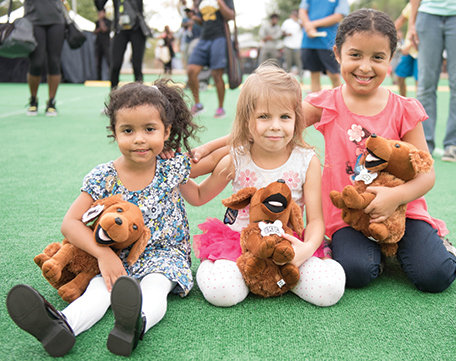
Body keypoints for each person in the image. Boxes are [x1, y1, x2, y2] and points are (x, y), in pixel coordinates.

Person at [6, 79, 201, 357]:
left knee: (154, 288)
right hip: (115, 254)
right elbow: (69, 223)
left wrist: (238, 141)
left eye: (150, 129)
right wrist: (102, 255)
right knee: (98, 291)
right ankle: (61, 325)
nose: (139, 139)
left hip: (164, 255)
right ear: (114, 132)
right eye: (128, 130)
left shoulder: (170, 166)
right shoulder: (103, 176)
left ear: (166, 130)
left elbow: (204, 167)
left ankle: (134, 325)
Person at [301, 9, 456, 292]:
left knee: (436, 275)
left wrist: (395, 196)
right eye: (355, 55)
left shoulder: (403, 109)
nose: (365, 67)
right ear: (337, 54)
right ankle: (378, 252)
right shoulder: (326, 103)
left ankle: (431, 244)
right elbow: (276, 122)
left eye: (377, 57)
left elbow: (427, 174)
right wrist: (215, 148)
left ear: (391, 59)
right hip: (349, 214)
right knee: (355, 272)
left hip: (403, 210)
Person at [181, 63, 346, 308]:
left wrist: (307, 248)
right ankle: (229, 271)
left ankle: (286, 274)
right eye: (264, 116)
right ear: (248, 120)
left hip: (290, 246)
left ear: (296, 119)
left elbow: (315, 220)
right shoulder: (236, 158)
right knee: (222, 292)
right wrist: (172, 172)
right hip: (240, 245)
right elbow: (197, 196)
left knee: (329, 291)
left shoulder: (306, 160)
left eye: (285, 117)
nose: (275, 126)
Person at [408, 0, 456, 162]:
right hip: (428, 15)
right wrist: (411, 24)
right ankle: (424, 143)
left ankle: (453, 145)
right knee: (425, 85)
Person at [186, 0, 235, 118]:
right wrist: (193, 17)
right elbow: (203, 21)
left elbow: (231, 16)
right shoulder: (201, 1)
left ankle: (220, 108)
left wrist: (220, 2)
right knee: (191, 70)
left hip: (219, 38)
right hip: (204, 38)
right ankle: (198, 105)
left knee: (216, 74)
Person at [24, 0, 66, 116]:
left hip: (56, 20)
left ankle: (51, 102)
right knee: (36, 62)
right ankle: (33, 100)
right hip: (33, 19)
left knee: (54, 61)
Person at [94, 0, 149, 89]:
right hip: (120, 30)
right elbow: (99, 4)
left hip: (137, 29)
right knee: (115, 64)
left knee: (136, 65)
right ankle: (113, 93)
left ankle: (140, 94)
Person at [298, 0, 349, 93]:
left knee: (334, 75)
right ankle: (315, 106)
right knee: (314, 74)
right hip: (309, 41)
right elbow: (302, 11)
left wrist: (312, 24)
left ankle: (339, 104)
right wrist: (308, 27)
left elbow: (338, 16)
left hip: (328, 42)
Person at [394, 2, 419, 97]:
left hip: (420, 50)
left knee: (419, 80)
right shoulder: (411, 6)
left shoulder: (426, 7)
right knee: (400, 76)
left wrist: (409, 47)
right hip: (408, 51)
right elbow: (400, 21)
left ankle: (418, 108)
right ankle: (403, 101)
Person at [281, 9, 303, 81]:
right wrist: (287, 34)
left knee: (299, 63)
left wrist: (297, 21)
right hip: (288, 45)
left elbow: (303, 28)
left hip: (298, 46)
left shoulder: (300, 22)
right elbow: (282, 32)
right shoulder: (287, 22)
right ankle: (286, 79)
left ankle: (301, 78)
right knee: (288, 63)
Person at [93, 9, 112, 81]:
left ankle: (111, 77)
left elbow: (105, 29)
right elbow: (94, 32)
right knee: (98, 62)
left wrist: (101, 23)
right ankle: (98, 78)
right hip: (98, 44)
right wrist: (99, 25)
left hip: (106, 44)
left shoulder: (108, 21)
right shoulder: (97, 22)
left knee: (109, 61)